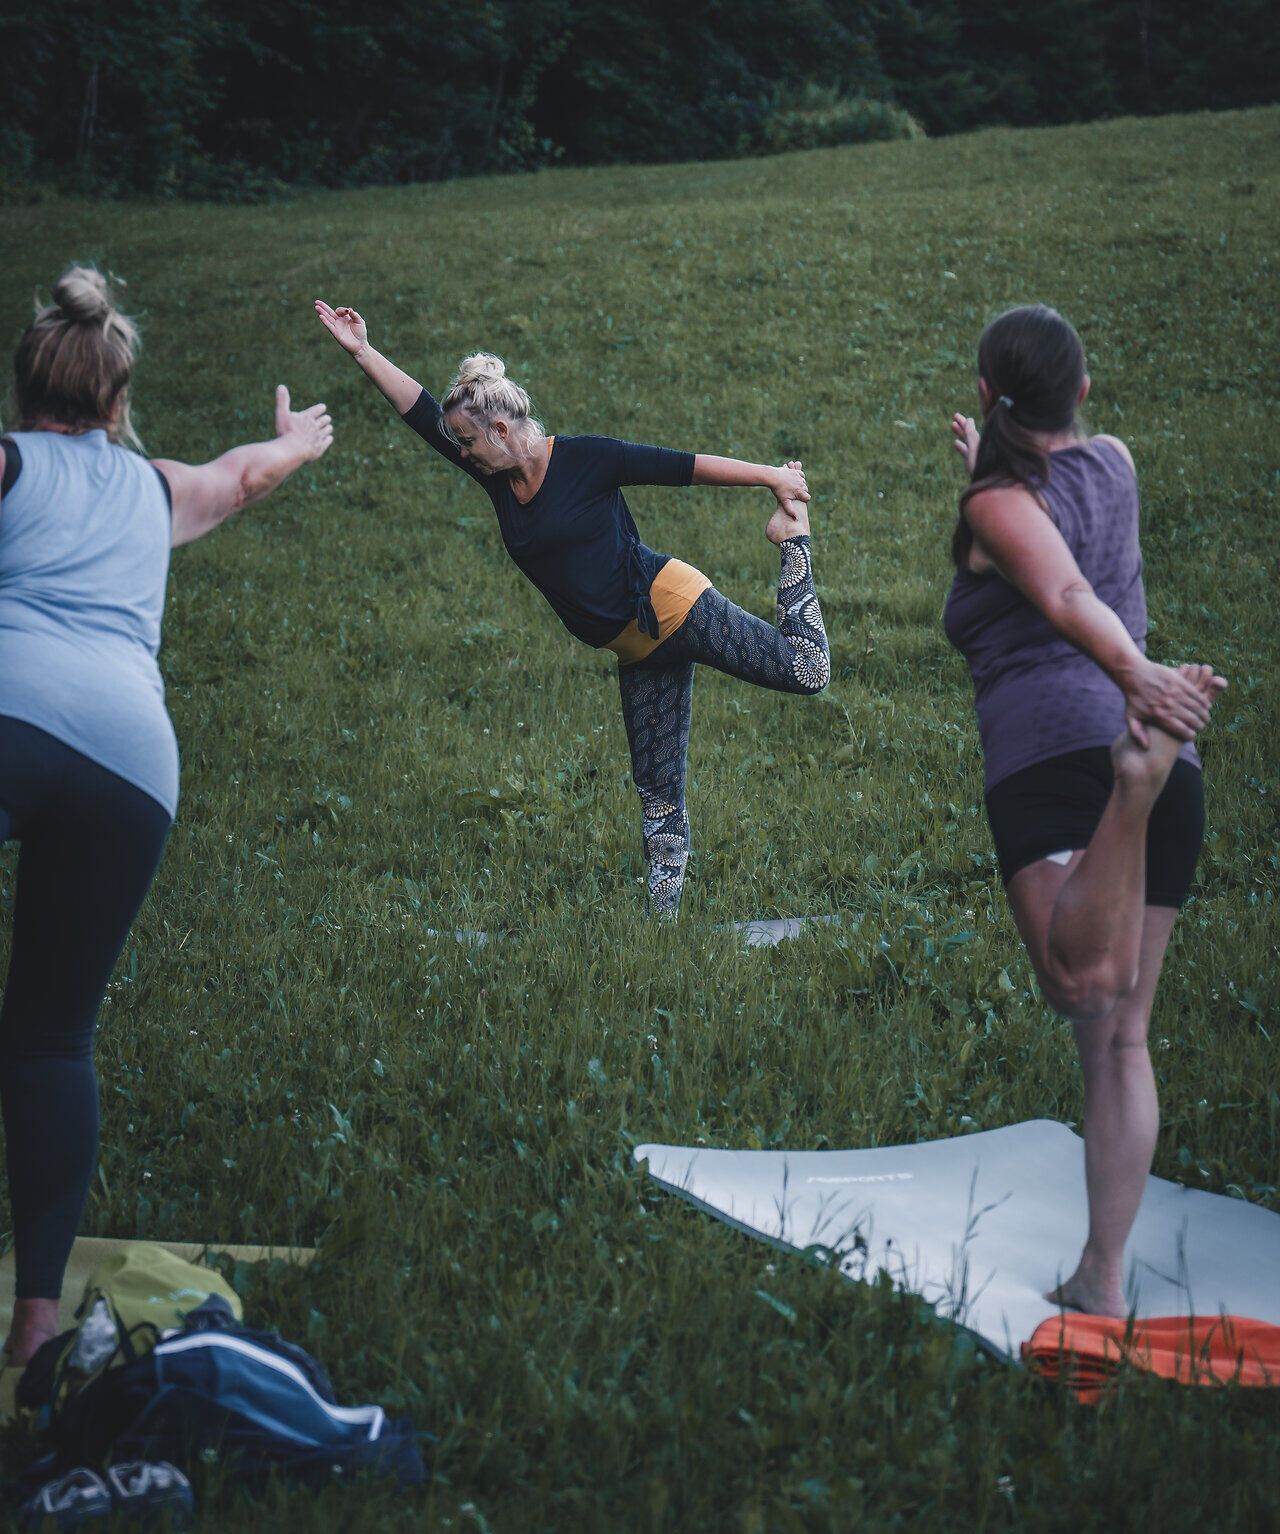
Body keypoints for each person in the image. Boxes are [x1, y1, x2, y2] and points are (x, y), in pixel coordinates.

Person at [0, 266, 333, 1364]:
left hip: (15, 711)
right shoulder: (150, 487)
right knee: (52, 1036)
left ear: (26, 388)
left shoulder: (7, 464)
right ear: (114, 402)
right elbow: (242, 477)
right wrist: (299, 442)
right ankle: (38, 1323)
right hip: (133, 764)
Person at [314, 299, 829, 915]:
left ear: (501, 431)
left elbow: (681, 467)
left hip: (672, 605)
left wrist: (772, 477)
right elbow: (424, 414)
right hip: (635, 645)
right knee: (658, 788)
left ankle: (792, 539)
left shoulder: (586, 459)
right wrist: (363, 351)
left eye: (470, 442)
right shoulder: (495, 475)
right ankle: (662, 927)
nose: (463, 453)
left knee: (807, 671)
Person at [942, 304, 1226, 1317]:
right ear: (1083, 393)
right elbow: (1044, 528)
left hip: (1068, 759)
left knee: (1079, 986)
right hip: (1158, 753)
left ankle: (1130, 786)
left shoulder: (996, 508)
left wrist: (1139, 678)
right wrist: (986, 463)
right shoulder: (1113, 462)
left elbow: (1060, 590)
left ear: (986, 394)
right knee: (1119, 1038)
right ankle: (1100, 1279)